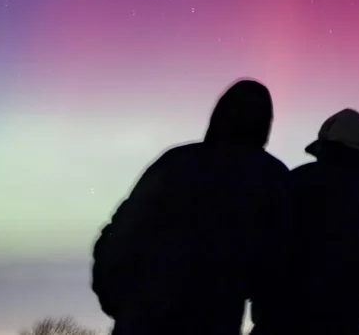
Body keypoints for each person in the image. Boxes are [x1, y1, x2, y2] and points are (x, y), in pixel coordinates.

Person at [91, 79, 293, 335]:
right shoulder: (273, 177)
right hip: (213, 319)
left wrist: (116, 298)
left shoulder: (175, 162)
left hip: (144, 315)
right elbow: (280, 263)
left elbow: (120, 232)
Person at [256, 108, 359, 335]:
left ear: (325, 146)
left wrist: (262, 297)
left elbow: (270, 244)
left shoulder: (298, 180)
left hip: (286, 311)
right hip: (345, 314)